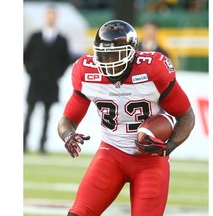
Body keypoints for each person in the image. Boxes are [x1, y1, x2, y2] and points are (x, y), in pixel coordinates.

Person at [57, 20, 195, 216]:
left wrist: (169, 146)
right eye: (103, 55)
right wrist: (68, 135)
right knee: (78, 213)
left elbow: (186, 115)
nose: (109, 61)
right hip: (110, 153)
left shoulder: (153, 69)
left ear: (132, 53)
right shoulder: (87, 72)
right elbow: (67, 120)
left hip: (150, 160)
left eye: (115, 55)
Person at [24, 5, 71, 153]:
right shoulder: (35, 36)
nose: (51, 18)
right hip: (36, 80)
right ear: (46, 17)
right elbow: (26, 56)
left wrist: (57, 75)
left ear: (55, 18)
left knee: (47, 114)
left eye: (53, 15)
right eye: (49, 15)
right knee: (30, 112)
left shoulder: (62, 39)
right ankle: (23, 142)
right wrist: (32, 72)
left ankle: (42, 144)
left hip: (51, 82)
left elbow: (65, 61)